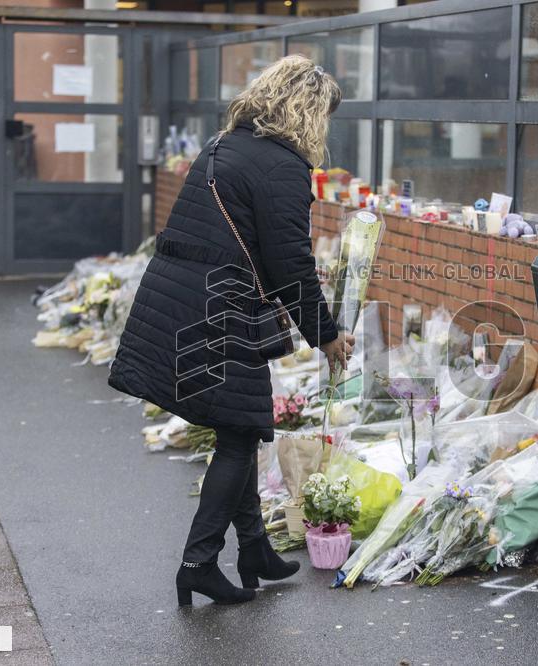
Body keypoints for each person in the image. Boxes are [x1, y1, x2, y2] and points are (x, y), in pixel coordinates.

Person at [108, 55, 353, 606]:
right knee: (241, 434)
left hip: (180, 298)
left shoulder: (221, 146)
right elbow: (290, 262)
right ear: (308, 110)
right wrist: (328, 335)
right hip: (216, 310)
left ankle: (255, 550)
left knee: (236, 425)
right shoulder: (283, 166)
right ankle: (198, 562)